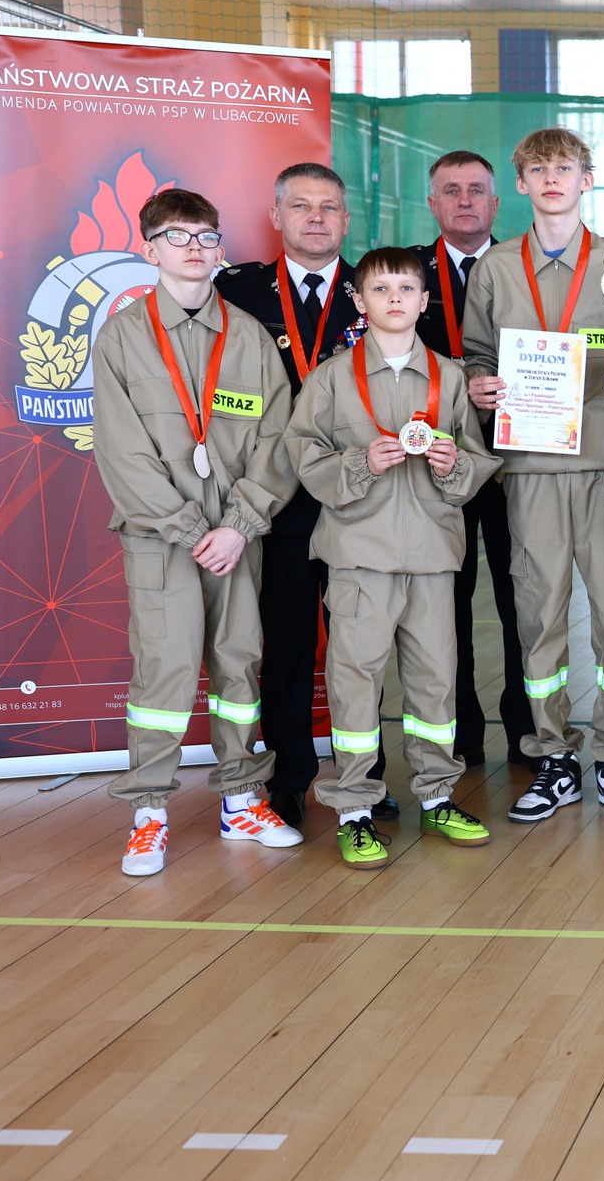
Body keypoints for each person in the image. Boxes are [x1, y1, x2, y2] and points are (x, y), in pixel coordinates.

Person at [460, 127, 604, 825]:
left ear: (588, 179)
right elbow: (472, 357)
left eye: (566, 168)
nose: (552, 178)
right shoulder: (494, 267)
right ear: (520, 184)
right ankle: (552, 754)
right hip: (530, 470)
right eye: (538, 169)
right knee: (538, 615)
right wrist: (481, 386)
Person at [91, 188, 301, 876]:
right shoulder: (122, 337)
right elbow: (123, 452)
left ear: (219, 248)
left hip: (238, 538)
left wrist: (238, 524)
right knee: (166, 669)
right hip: (163, 539)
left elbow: (278, 441)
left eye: (206, 235)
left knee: (238, 665)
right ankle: (148, 810)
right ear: (148, 248)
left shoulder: (249, 336)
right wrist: (190, 527)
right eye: (176, 235)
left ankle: (242, 797)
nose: (194, 246)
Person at [286, 248, 502, 869]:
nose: (396, 299)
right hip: (360, 555)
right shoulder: (331, 377)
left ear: (425, 301)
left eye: (407, 288)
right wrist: (361, 462)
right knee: (357, 681)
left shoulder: (449, 377)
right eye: (381, 289)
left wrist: (451, 464)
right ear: (360, 302)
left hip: (434, 553)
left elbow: (476, 461)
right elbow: (302, 453)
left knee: (437, 680)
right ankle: (355, 809)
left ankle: (437, 797)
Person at [217, 162, 369, 828]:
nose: (315, 218)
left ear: (345, 218)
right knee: (283, 640)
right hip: (274, 497)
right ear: (276, 216)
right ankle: (288, 776)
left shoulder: (379, 288)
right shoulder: (238, 291)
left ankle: (366, 778)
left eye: (329, 207)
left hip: (356, 497)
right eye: (301, 206)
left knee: (362, 643)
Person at [415, 150, 530, 772]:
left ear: (495, 203)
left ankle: (526, 729)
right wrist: (463, 378)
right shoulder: (405, 274)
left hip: (518, 461)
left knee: (521, 598)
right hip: (437, 462)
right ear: (432, 204)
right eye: (451, 191)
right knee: (447, 601)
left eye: (476, 191)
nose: (465, 200)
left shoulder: (525, 270)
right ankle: (457, 732)